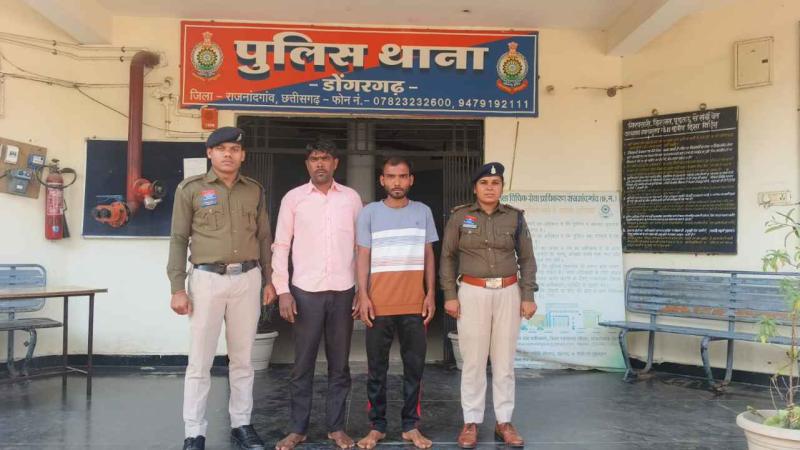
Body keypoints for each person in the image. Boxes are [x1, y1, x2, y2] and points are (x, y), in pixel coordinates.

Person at [167, 126, 277, 450]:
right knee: (200, 361)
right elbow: (178, 239)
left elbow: (264, 237)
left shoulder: (254, 190)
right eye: (221, 149)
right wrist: (177, 287)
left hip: (247, 279)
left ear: (243, 155)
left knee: (243, 360)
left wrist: (270, 280)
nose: (228, 154)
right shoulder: (190, 189)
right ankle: (194, 432)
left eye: (234, 149)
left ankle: (241, 425)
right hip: (207, 281)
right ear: (210, 153)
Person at [272, 137, 363, 450]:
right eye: (314, 159)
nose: (320, 164)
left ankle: (336, 428)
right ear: (307, 164)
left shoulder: (351, 198)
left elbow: (361, 247)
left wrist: (362, 290)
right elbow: (281, 245)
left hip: (343, 291)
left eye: (325, 158)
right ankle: (297, 429)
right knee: (303, 365)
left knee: (340, 365)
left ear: (335, 163)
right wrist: (283, 290)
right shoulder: (294, 199)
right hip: (305, 293)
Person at [439, 162, 538, 449]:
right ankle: (471, 421)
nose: (490, 188)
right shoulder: (460, 217)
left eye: (495, 183)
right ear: (475, 188)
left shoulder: (515, 218)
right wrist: (450, 295)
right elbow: (447, 257)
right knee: (473, 361)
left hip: (508, 292)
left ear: (502, 187)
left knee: (504, 361)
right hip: (472, 291)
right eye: (484, 183)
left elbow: (527, 259)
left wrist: (528, 295)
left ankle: (504, 422)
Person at [354, 157, 438, 450]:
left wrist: (430, 293)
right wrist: (363, 295)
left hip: (414, 304)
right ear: (382, 180)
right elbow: (362, 255)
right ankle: (376, 427)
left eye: (402, 176)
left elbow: (428, 254)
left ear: (411, 179)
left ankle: (410, 426)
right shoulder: (369, 213)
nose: (397, 182)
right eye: (391, 176)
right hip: (378, 305)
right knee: (376, 370)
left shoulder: (423, 211)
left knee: (414, 369)